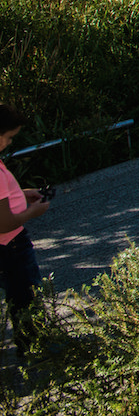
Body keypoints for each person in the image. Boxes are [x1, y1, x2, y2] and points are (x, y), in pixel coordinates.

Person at [0, 105, 50, 355]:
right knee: (25, 293)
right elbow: (4, 222)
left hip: (5, 245)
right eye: (9, 137)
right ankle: (34, 347)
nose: (10, 143)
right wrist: (33, 212)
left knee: (17, 293)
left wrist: (21, 194)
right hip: (12, 243)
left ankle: (29, 343)